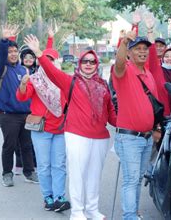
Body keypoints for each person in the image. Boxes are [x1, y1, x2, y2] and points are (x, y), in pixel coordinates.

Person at [24, 34, 116, 220]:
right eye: (85, 61)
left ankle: (91, 209)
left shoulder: (103, 86)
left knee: (94, 175)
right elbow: (51, 71)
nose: (88, 64)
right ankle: (77, 212)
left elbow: (111, 113)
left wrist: (126, 126)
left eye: (92, 61)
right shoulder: (70, 81)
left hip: (100, 136)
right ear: (79, 64)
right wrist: (39, 53)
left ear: (96, 64)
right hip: (77, 135)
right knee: (77, 174)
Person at [16, 44, 70, 212]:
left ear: (57, 62)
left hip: (60, 129)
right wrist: (24, 84)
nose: (48, 63)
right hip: (42, 130)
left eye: (51, 60)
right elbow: (21, 96)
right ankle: (48, 197)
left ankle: (59, 197)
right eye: (45, 60)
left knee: (59, 165)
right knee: (44, 165)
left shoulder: (63, 80)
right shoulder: (35, 79)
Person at [112, 31, 159, 220]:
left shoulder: (148, 74)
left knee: (138, 179)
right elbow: (119, 62)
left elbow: (154, 107)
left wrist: (157, 129)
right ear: (130, 53)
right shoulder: (125, 70)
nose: (142, 52)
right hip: (129, 137)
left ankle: (134, 213)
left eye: (145, 49)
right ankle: (129, 216)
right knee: (131, 180)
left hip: (146, 137)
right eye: (137, 49)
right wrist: (124, 42)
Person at [0, 24, 38, 187]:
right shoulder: (0, 68)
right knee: (9, 145)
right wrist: (5, 40)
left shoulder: (23, 70)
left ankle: (29, 172)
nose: (12, 54)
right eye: (9, 52)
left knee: (26, 145)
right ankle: (7, 173)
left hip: (25, 114)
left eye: (15, 52)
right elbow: (1, 54)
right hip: (8, 115)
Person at [14, 44, 38, 175]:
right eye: (26, 57)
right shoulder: (17, 70)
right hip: (19, 109)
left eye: (31, 57)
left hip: (33, 111)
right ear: (21, 58)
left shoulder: (38, 71)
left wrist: (50, 39)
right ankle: (18, 164)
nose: (28, 59)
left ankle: (33, 164)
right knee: (18, 141)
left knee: (31, 140)